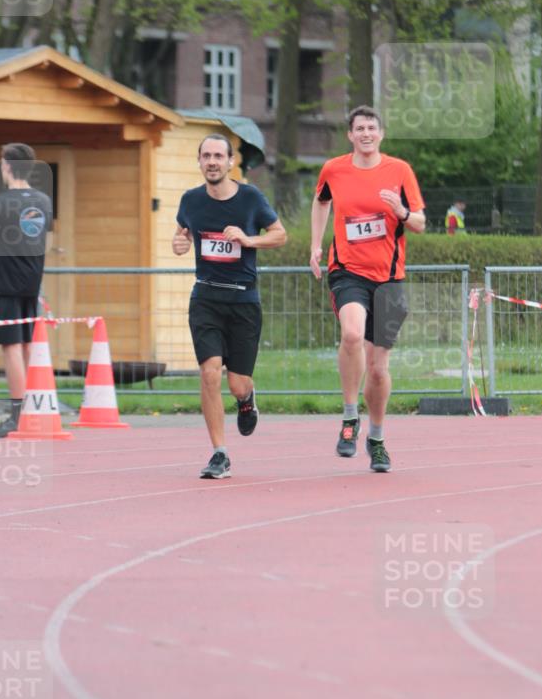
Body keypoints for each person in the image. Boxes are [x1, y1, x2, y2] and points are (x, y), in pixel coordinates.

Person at [310, 105, 425, 472]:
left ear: (381, 134)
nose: (365, 134)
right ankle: (349, 418)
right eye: (359, 128)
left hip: (389, 278)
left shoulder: (399, 170)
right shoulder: (334, 169)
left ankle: (376, 439)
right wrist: (316, 244)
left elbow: (421, 222)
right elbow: (321, 200)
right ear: (350, 135)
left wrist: (402, 212)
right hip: (348, 272)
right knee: (352, 334)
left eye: (371, 128)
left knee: (377, 370)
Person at [173, 134, 286, 478]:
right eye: (206, 155)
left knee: (237, 383)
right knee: (209, 372)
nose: (212, 161)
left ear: (230, 162)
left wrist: (249, 239)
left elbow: (280, 234)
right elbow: (183, 232)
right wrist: (179, 241)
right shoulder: (190, 201)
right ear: (199, 161)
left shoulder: (250, 198)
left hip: (243, 299)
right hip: (206, 297)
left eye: (218, 156)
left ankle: (247, 398)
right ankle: (219, 453)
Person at [0, 143, 53, 437]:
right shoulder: (43, 200)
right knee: (29, 344)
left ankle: (17, 415)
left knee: (12, 348)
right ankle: (35, 409)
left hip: (7, 283)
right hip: (33, 281)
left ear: (6, 165)